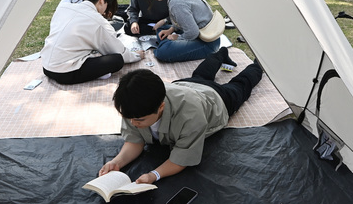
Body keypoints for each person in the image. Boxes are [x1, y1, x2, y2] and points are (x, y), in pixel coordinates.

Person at [99, 48, 263, 183]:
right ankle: (221, 54)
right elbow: (134, 141)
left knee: (240, 85)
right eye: (129, 119)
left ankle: (259, 64)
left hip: (216, 98)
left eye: (139, 120)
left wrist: (153, 175)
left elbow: (181, 159)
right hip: (185, 86)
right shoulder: (133, 104)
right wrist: (116, 162)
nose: (133, 123)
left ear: (161, 107)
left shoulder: (191, 116)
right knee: (200, 74)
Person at [41, 0, 144, 85]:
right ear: (102, 0)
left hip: (46, 66)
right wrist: (136, 55)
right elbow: (117, 50)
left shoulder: (63, 8)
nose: (104, 11)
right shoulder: (98, 20)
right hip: (66, 72)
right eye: (106, 4)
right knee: (117, 60)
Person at [141, 0, 221, 62]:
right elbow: (184, 21)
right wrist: (171, 29)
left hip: (207, 42)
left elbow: (192, 33)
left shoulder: (177, 2)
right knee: (162, 29)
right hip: (200, 32)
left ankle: (166, 44)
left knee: (162, 52)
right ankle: (167, 42)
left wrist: (177, 38)